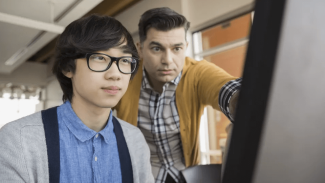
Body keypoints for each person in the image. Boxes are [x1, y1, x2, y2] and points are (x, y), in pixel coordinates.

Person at [0, 14, 154, 183]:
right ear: (68, 67)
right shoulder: (19, 139)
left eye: (125, 60)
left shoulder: (134, 140)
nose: (115, 74)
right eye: (100, 58)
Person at [114, 7, 241, 183]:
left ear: (186, 48)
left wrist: (243, 102)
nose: (168, 60)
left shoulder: (197, 73)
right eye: (157, 48)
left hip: (186, 174)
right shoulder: (125, 76)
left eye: (176, 48)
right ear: (140, 49)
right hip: (141, 175)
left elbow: (227, 87)